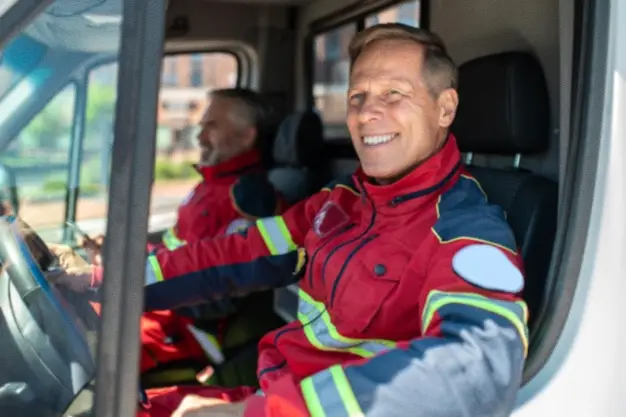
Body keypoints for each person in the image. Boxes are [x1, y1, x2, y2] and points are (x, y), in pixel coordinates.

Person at [101, 23, 529, 416]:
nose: (366, 114)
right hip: (276, 391)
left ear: (445, 108)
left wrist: (257, 413)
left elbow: (477, 363)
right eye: (357, 97)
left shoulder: (467, 230)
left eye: (394, 94)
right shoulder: (338, 201)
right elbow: (236, 253)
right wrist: (114, 280)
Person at [54, 87, 286, 375]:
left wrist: (130, 280)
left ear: (246, 136)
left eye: (211, 126)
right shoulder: (211, 184)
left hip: (191, 329)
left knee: (75, 349)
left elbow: (221, 295)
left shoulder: (249, 200)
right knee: (68, 314)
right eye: (202, 126)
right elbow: (179, 254)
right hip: (162, 305)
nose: (200, 137)